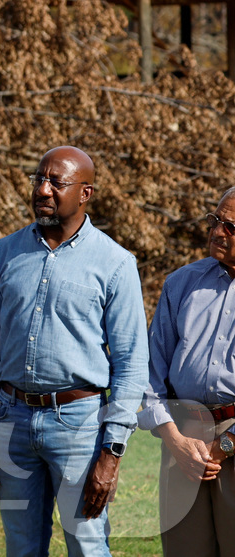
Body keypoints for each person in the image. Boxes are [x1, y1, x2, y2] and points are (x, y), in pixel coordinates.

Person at [0, 145, 147, 556]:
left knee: (86, 544)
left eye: (56, 182)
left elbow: (132, 365)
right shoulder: (5, 254)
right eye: (38, 179)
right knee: (22, 547)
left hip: (80, 424)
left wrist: (111, 451)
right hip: (12, 418)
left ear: (85, 193)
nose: (43, 190)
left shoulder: (115, 263)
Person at [141, 186, 235, 554]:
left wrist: (226, 445)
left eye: (230, 226)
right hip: (182, 441)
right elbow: (149, 372)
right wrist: (174, 440)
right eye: (215, 221)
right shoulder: (182, 283)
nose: (216, 231)